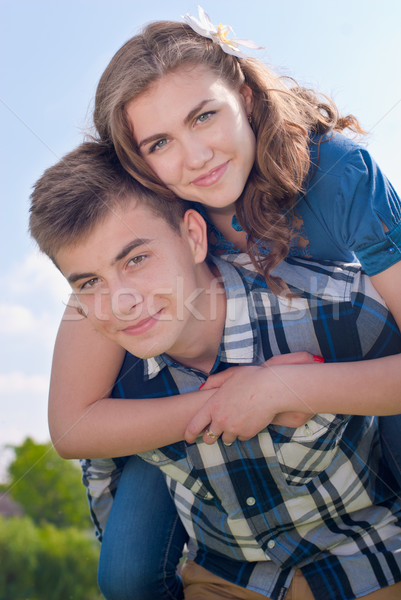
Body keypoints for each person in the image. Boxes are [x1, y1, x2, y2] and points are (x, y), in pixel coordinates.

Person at [47, 6, 401, 598]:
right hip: (182, 403)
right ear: (136, 158)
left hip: (343, 365)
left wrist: (281, 389)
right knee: (129, 575)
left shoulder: (337, 174)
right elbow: (73, 419)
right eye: (160, 141)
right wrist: (214, 403)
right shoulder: (138, 203)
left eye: (204, 116)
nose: (196, 157)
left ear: (244, 96)